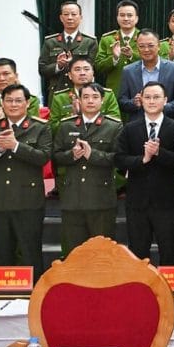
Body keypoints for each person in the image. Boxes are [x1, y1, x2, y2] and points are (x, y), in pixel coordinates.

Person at [0, 84, 51, 277]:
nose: (13, 104)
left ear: (28, 103)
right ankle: (2, 293)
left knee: (29, 251)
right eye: (9, 100)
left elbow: (43, 157)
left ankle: (33, 292)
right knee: (0, 251)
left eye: (18, 100)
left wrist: (16, 146)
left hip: (28, 200)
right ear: (2, 103)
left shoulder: (40, 127)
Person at [114, 81, 174, 265]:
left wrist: (160, 153)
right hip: (138, 201)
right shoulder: (130, 128)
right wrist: (142, 159)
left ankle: (166, 284)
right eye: (148, 97)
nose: (152, 101)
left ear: (165, 100)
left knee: (168, 252)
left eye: (156, 97)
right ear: (141, 100)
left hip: (167, 200)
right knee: (138, 254)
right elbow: (119, 159)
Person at [52, 82, 123, 255]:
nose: (90, 101)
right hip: (72, 198)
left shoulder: (114, 126)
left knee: (102, 253)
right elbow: (55, 156)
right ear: (79, 100)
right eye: (86, 97)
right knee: (73, 252)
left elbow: (119, 159)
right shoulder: (66, 125)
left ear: (102, 100)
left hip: (101, 198)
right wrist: (72, 155)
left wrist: (93, 155)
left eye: (95, 97)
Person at [38, 1, 98, 103]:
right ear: (61, 18)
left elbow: (94, 68)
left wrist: (72, 63)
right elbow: (42, 69)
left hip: (83, 93)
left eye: (73, 14)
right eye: (66, 14)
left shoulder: (89, 42)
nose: (70, 18)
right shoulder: (50, 42)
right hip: (57, 92)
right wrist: (58, 66)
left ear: (80, 17)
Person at [118, 30, 174, 123]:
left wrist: (162, 106)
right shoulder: (128, 71)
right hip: (137, 124)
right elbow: (122, 101)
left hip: (166, 123)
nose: (146, 50)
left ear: (159, 46)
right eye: (141, 46)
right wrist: (134, 103)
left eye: (150, 46)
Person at [48, 55, 121, 131]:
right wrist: (73, 117)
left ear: (93, 73)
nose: (82, 73)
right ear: (70, 75)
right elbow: (53, 129)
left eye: (86, 69)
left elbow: (115, 125)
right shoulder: (60, 98)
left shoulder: (107, 95)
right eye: (77, 70)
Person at [95, 0, 141, 94]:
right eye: (122, 15)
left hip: (139, 91)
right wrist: (114, 58)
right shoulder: (107, 39)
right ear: (117, 18)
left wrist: (132, 56)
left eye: (129, 15)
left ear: (136, 18)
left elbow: (152, 63)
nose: (126, 19)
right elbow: (98, 67)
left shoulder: (144, 38)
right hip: (115, 91)